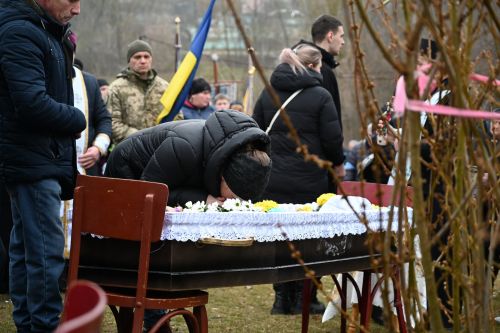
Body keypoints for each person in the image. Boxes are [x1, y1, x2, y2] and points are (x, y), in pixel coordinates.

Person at [0, 0, 85, 331]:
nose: (77, 9)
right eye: (72, 0)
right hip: (32, 160)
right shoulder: (22, 31)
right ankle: (44, 325)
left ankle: (30, 324)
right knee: (45, 252)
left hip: (36, 159)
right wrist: (77, 118)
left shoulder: (40, 29)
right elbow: (31, 103)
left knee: (25, 249)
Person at [253, 44, 345, 315]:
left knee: (282, 239)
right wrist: (338, 163)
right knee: (307, 239)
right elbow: (332, 139)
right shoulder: (321, 95)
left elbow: (254, 129)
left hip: (273, 177)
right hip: (309, 178)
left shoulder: (267, 92)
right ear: (315, 66)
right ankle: (306, 298)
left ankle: (282, 299)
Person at [105, 109, 272, 207]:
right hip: (127, 170)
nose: (235, 201)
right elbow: (149, 193)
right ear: (223, 176)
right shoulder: (184, 148)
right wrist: (203, 199)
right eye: (235, 196)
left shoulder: (231, 154)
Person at [108, 39, 169, 144]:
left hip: (160, 146)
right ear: (129, 60)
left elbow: (177, 117)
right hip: (129, 147)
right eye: (137, 57)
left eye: (146, 57)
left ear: (151, 59)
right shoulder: (116, 88)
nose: (143, 61)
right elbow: (112, 122)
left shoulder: (165, 87)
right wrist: (140, 137)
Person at [295, 14, 345, 130]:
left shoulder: (291, 67)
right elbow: (332, 121)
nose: (343, 42)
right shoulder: (324, 72)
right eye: (341, 36)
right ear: (330, 36)